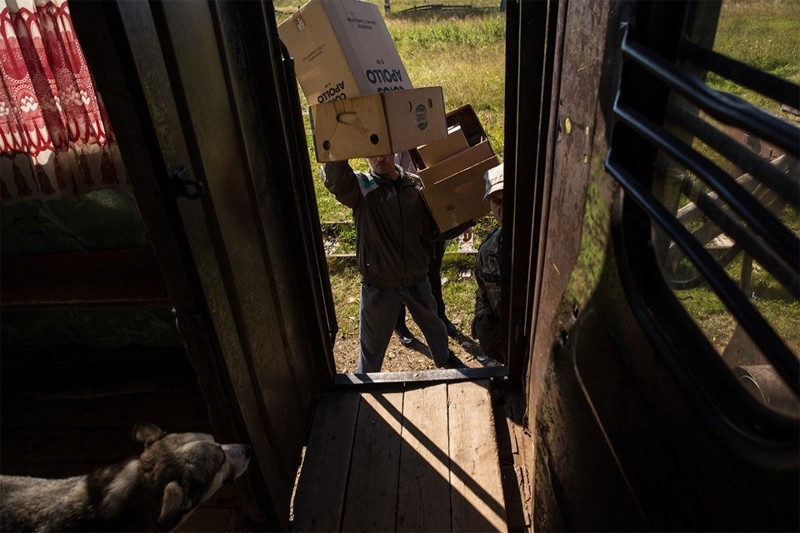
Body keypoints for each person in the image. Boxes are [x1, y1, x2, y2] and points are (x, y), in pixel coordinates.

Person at [321, 154, 468, 372]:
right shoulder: (361, 187)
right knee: (371, 347)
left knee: (433, 325)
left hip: (416, 278)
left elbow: (434, 229)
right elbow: (335, 179)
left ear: (394, 149)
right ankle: (367, 385)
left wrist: (464, 219)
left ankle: (444, 357)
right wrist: (341, 146)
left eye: (385, 150)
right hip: (379, 284)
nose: (380, 158)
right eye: (373, 152)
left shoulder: (415, 186)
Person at [392, 152, 470, 344]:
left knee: (433, 270)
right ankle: (399, 324)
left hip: (433, 217)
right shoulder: (396, 142)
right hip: (404, 217)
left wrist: (463, 219)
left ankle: (440, 317)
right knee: (399, 274)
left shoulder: (434, 137)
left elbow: (452, 177)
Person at [472, 163, 506, 364]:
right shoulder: (488, 251)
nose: (503, 208)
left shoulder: (543, 244)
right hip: (505, 347)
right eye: (497, 202)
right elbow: (482, 292)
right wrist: (482, 319)